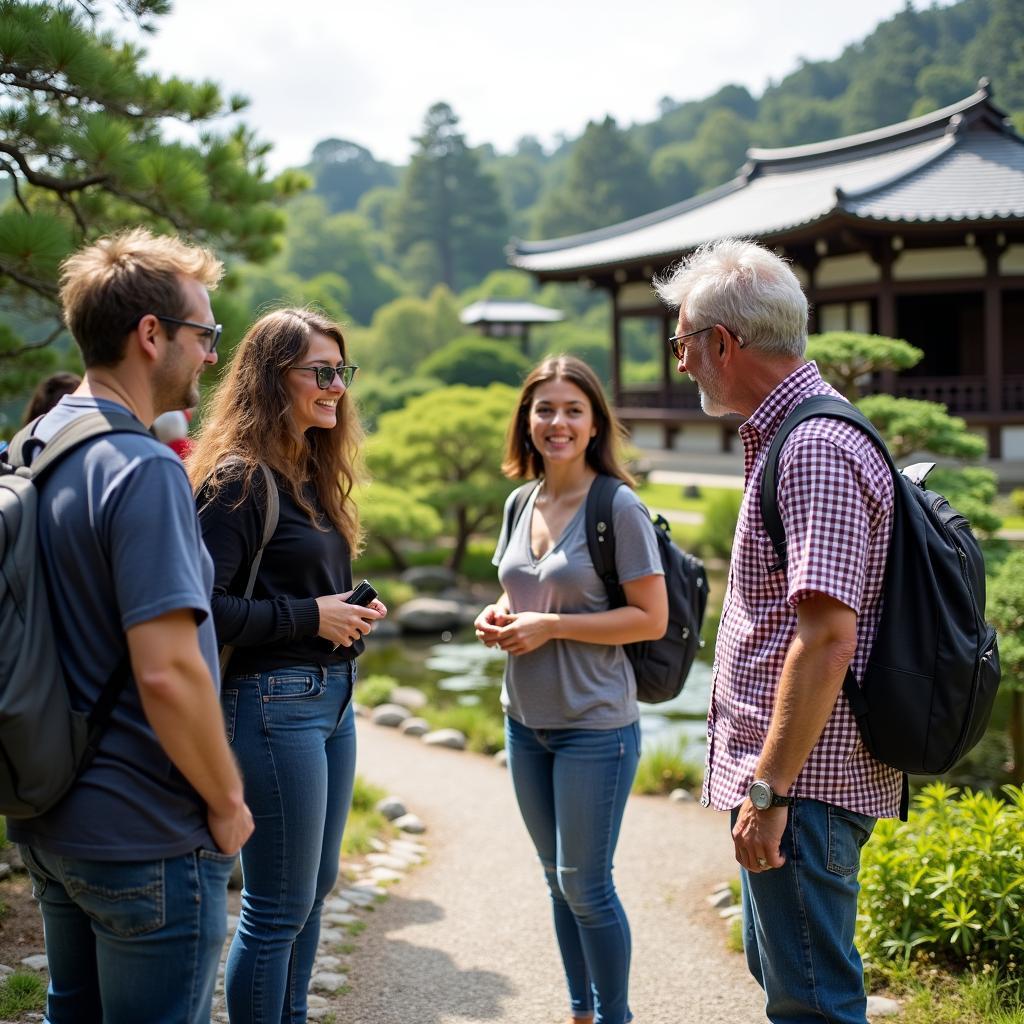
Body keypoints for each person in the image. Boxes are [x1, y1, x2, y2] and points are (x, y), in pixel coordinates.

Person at [8, 228, 254, 1023]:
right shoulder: (144, 469)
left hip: (50, 815)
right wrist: (225, 802)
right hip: (144, 830)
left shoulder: (34, 446)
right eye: (204, 335)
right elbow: (168, 669)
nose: (211, 356)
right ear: (152, 335)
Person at [655, 239, 900, 1024]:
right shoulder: (794, 434)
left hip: (805, 786)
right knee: (790, 979)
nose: (682, 363)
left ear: (721, 343)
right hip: (796, 782)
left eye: (684, 343)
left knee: (815, 1005)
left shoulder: (815, 448)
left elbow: (827, 638)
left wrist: (769, 790)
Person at [188, 307, 386, 1024]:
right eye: (321, 372)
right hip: (272, 708)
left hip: (330, 702)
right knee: (276, 908)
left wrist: (348, 613)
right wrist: (312, 616)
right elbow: (198, 610)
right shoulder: (237, 481)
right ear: (274, 380)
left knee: (315, 886)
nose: (337, 386)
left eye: (342, 371)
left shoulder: (310, 470)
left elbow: (297, 591)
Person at [475, 355, 668, 1024]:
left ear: (593, 425)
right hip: (524, 721)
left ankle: (615, 1017)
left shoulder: (618, 507)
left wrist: (551, 625)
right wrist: (496, 613)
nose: (557, 422)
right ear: (527, 421)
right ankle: (580, 1011)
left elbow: (652, 618)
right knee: (558, 883)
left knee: (587, 885)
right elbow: (519, 585)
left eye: (572, 410)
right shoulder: (518, 501)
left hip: (595, 725)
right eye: (545, 409)